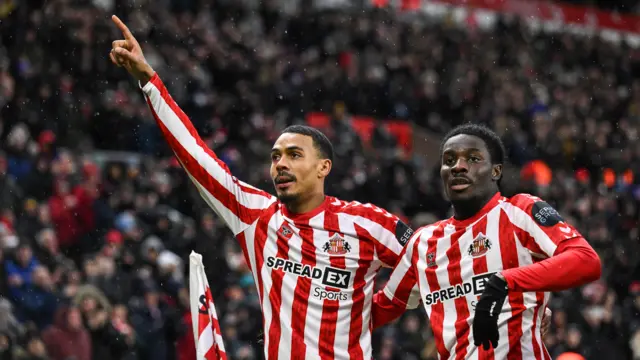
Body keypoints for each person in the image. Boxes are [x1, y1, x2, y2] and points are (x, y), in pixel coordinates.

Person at [108, 15, 417, 359]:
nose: (280, 164)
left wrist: (380, 308)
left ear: (323, 167)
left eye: (294, 155)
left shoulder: (366, 223)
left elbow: (431, 267)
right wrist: (150, 82)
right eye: (275, 156)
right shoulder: (258, 217)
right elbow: (195, 155)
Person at [372, 123, 601, 359]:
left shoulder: (518, 212)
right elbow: (379, 309)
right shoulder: (423, 242)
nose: (458, 166)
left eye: (472, 159)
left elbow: (586, 261)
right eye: (449, 160)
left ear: (496, 171)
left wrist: (506, 281)